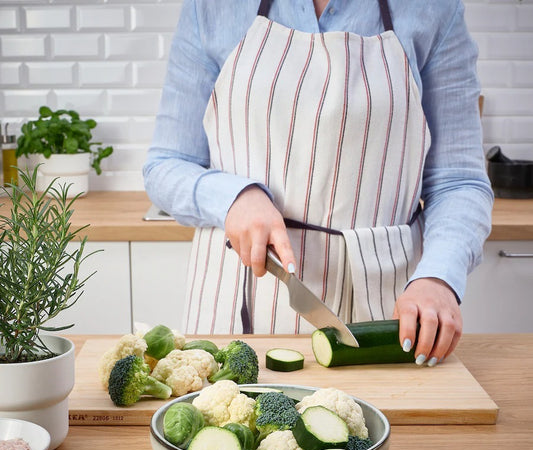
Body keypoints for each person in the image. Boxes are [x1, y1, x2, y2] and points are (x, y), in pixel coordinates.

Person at [143, 0, 494, 367]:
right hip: (239, 301)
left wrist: (439, 278)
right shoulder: (211, 8)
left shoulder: (435, 10)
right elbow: (166, 165)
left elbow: (459, 182)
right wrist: (235, 198)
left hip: (385, 315)